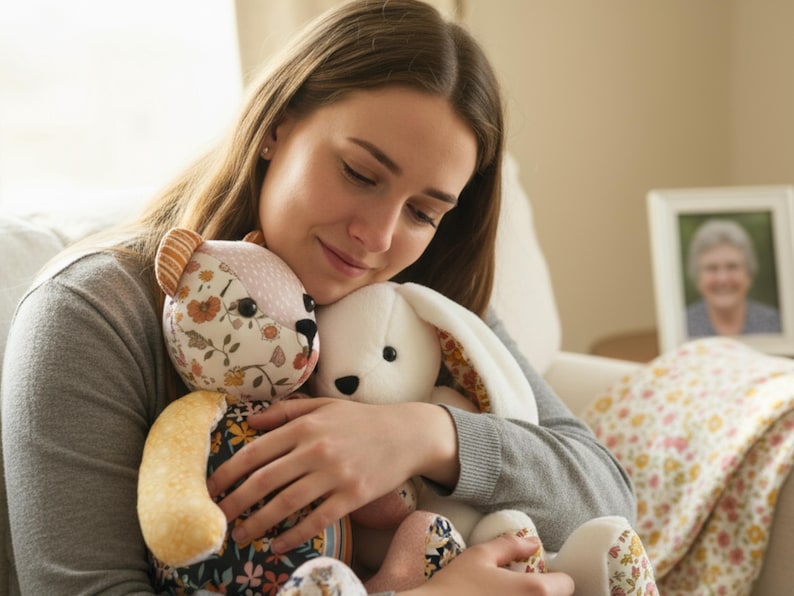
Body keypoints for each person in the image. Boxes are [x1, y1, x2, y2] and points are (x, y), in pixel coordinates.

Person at [1, 1, 634, 594]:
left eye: (422, 211)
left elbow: (606, 496)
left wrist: (424, 435)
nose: (377, 237)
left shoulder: (416, 306)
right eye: (360, 173)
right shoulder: (92, 315)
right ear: (278, 126)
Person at [685, 218, 781, 337]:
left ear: (748, 273)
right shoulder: (681, 327)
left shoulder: (776, 324)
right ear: (697, 276)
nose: (722, 279)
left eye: (732, 267)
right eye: (712, 268)